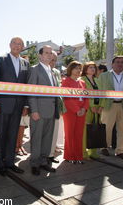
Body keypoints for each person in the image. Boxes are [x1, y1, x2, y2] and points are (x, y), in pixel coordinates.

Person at [0, 37, 29, 176]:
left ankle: (10, 162)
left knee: (13, 134)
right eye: (14, 43)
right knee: (1, 134)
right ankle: (0, 163)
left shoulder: (25, 63)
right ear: (10, 45)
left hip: (18, 106)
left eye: (20, 44)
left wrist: (26, 104)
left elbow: (26, 86)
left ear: (23, 47)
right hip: (2, 105)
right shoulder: (0, 59)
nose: (17, 46)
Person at [97, 56, 123, 161]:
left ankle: (120, 150)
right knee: (106, 127)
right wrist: (99, 105)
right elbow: (100, 92)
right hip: (108, 105)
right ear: (112, 64)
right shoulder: (103, 76)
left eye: (122, 62)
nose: (120, 64)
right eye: (117, 62)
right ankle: (104, 147)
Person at [27, 45, 60, 175]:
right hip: (38, 111)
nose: (49, 55)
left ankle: (43, 162)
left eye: (50, 53)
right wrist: (34, 110)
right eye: (46, 53)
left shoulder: (52, 71)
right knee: (37, 138)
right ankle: (34, 163)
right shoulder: (35, 70)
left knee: (47, 139)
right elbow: (31, 91)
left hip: (51, 111)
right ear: (40, 55)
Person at [61, 61, 89, 164]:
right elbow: (67, 98)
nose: (78, 70)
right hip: (70, 112)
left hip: (82, 112)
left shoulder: (82, 82)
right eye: (76, 68)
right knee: (70, 134)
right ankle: (69, 156)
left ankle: (78, 156)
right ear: (70, 69)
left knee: (79, 134)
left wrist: (84, 109)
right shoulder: (65, 81)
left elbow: (87, 97)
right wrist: (77, 110)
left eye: (80, 69)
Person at [48, 50, 66, 163]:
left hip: (56, 106)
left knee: (55, 129)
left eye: (55, 60)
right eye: (51, 60)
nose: (53, 62)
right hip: (44, 107)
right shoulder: (36, 70)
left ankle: (51, 152)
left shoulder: (56, 72)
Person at [81, 62, 101, 159]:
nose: (93, 69)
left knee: (95, 130)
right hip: (88, 109)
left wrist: (101, 106)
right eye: (90, 67)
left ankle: (93, 152)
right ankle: (83, 152)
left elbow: (102, 93)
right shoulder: (82, 80)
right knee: (85, 131)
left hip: (98, 109)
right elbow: (84, 95)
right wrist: (92, 106)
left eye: (94, 67)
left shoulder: (97, 80)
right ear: (85, 69)